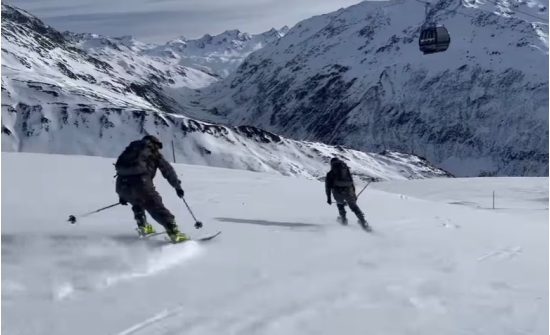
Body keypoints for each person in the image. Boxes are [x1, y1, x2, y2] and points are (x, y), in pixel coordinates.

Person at [114, 135, 188, 242]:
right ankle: (174, 232)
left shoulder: (130, 151)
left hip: (121, 185)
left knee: (137, 202)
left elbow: (122, 171)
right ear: (154, 144)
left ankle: (143, 226)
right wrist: (177, 186)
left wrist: (122, 196)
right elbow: (168, 171)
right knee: (155, 204)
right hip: (141, 183)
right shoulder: (153, 153)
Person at [325, 157, 369, 229]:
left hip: (337, 191)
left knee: (340, 205)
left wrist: (328, 198)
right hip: (348, 190)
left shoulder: (330, 173)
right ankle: (363, 221)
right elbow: (351, 183)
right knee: (353, 206)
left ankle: (343, 220)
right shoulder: (346, 170)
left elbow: (328, 187)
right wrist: (354, 195)